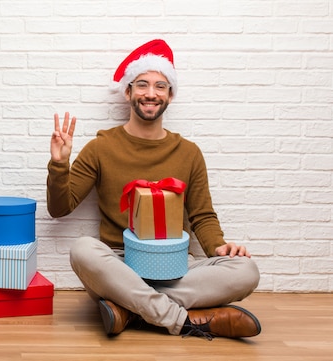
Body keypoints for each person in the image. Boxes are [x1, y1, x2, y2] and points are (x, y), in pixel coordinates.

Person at [46, 39, 261, 340]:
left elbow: (202, 215)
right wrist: (59, 164)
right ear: (128, 91)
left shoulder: (189, 152)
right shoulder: (101, 147)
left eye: (160, 86)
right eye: (142, 84)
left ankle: (131, 309)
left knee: (247, 271)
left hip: (175, 267)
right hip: (120, 265)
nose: (151, 93)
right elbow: (60, 208)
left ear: (170, 96)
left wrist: (219, 248)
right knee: (83, 249)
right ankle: (184, 321)